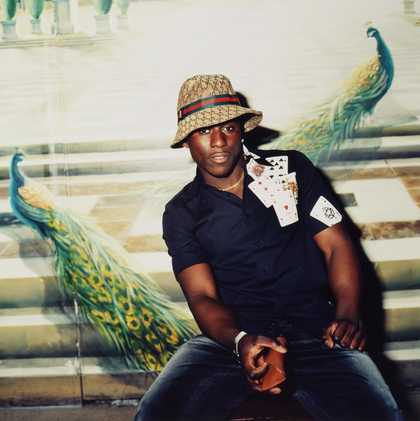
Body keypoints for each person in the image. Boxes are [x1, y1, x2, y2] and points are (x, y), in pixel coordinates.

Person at [134, 74, 403, 421]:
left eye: (227, 128)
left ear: (241, 131)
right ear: (187, 141)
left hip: (318, 331)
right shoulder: (181, 213)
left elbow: (337, 246)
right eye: (204, 131)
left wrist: (348, 314)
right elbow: (202, 296)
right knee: (156, 413)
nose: (218, 141)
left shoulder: (291, 170)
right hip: (232, 340)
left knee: (381, 413)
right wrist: (239, 340)